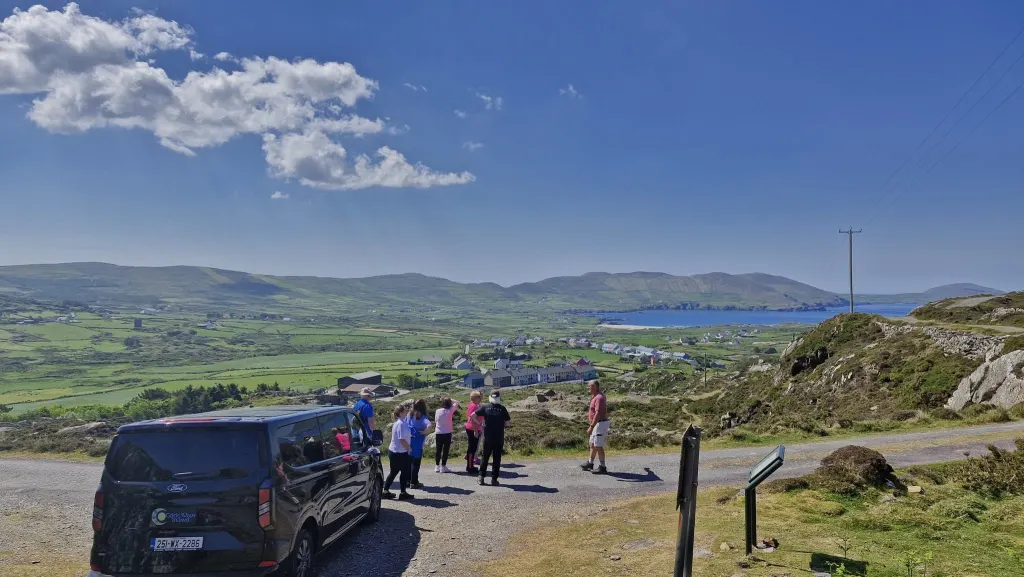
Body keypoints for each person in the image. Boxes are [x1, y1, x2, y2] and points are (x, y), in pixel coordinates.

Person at [475, 390, 511, 486]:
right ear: (499, 398)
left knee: (485, 456)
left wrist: (480, 423)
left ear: (490, 397)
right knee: (497, 458)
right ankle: (494, 479)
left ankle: (481, 477)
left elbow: (472, 416)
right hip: (499, 437)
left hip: (488, 437)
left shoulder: (485, 407)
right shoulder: (502, 409)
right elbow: (507, 423)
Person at [383, 406, 414, 500]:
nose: (407, 412)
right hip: (400, 452)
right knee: (404, 472)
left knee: (394, 471)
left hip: (395, 451)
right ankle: (403, 493)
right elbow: (401, 439)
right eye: (405, 411)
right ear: (401, 413)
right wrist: (409, 448)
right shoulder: (401, 424)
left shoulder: (399, 422)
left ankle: (385, 491)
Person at [581, 379, 609, 474]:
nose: (588, 387)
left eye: (590, 386)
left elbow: (598, 413)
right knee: (592, 444)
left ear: (595, 387)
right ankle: (590, 463)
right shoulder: (596, 396)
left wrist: (591, 426)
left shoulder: (599, 398)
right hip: (597, 423)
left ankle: (603, 467)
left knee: (598, 446)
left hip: (599, 424)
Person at [405, 398, 433, 489]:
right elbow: (429, 425)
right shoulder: (422, 417)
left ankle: (407, 481)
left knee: (408, 462)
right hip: (418, 442)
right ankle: (414, 482)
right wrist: (424, 432)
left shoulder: (409, 414)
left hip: (408, 441)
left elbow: (405, 424)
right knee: (416, 463)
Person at [433, 397, 459, 473]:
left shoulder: (437, 411)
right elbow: (456, 401)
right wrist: (451, 399)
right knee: (445, 450)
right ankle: (443, 467)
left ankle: (437, 466)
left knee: (438, 450)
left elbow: (436, 420)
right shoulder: (450, 411)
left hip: (438, 432)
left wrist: (444, 399)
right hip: (447, 433)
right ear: (449, 403)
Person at [464, 390, 484, 474]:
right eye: (479, 396)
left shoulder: (474, 405)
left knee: (472, 448)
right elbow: (472, 419)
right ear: (476, 398)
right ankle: (470, 467)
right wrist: (476, 431)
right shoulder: (474, 406)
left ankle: (470, 465)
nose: (481, 398)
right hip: (473, 429)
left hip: (473, 428)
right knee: (472, 448)